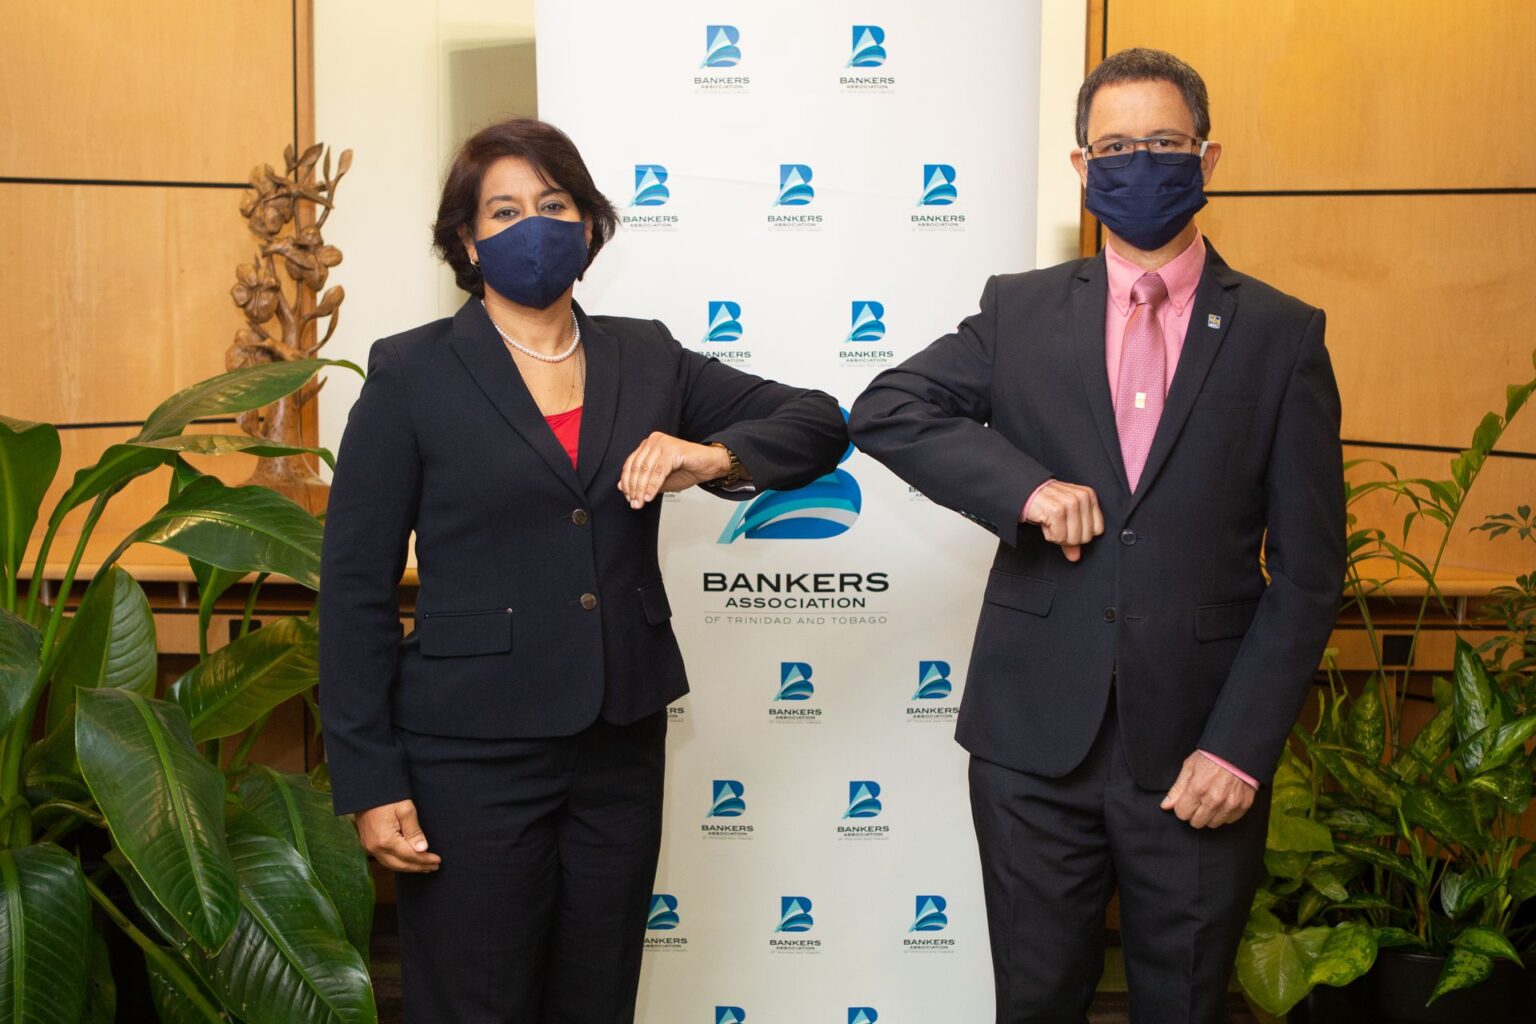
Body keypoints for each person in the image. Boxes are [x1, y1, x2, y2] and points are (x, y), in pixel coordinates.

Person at [849, 48, 1345, 1023]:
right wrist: (1025, 488)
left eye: (1164, 143)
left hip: (1199, 756)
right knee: (1035, 1004)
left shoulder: (1281, 334)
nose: (1139, 164)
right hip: (1032, 749)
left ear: (1208, 157)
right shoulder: (1019, 309)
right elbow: (888, 408)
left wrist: (1239, 749)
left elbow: (1309, 573)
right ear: (1081, 167)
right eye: (1115, 148)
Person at [319, 117, 848, 1023]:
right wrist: (371, 781)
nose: (534, 225)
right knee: (477, 1003)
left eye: (554, 204)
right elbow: (355, 590)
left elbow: (820, 421)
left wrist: (712, 456)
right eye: (504, 210)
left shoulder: (647, 355)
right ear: (468, 241)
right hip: (468, 753)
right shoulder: (412, 372)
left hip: (618, 745)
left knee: (598, 999)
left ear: (589, 224)